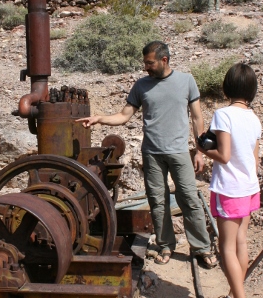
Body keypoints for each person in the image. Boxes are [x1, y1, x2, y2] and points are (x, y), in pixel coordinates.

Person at [76, 41, 217, 267]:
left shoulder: (186, 81)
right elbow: (124, 116)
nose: (146, 68)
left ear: (164, 60)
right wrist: (99, 118)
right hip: (152, 153)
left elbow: (197, 118)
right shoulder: (141, 86)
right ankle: (165, 245)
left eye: (149, 63)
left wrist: (200, 151)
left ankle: (202, 248)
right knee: (157, 202)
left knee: (189, 199)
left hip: (179, 152)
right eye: (145, 63)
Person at [198, 63, 261, 298]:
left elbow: (222, 155)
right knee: (241, 244)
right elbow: (255, 162)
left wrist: (201, 148)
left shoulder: (224, 115)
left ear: (227, 87)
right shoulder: (254, 118)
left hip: (229, 189)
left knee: (226, 248)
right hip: (249, 188)